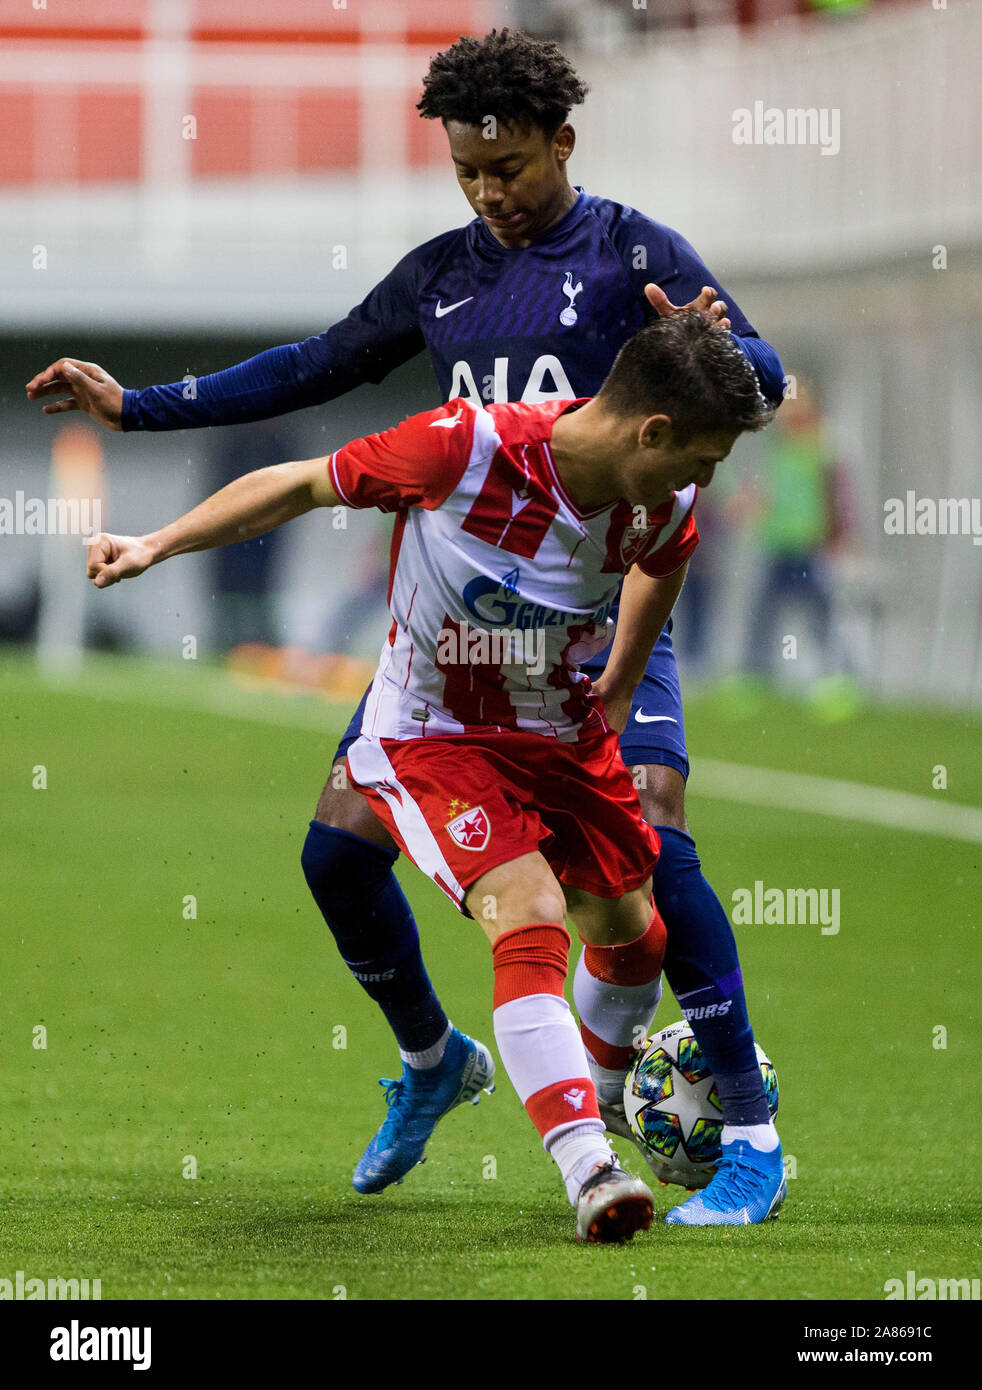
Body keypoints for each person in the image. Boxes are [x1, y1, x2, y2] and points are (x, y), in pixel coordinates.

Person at [29, 29, 785, 1225]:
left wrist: (729, 345)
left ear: (563, 145)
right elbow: (320, 363)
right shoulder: (443, 275)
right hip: (466, 631)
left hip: (598, 600)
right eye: (470, 171)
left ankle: (745, 1125)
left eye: (515, 167)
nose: (492, 191)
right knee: (335, 853)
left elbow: (755, 381)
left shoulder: (636, 250)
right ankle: (438, 1063)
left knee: (652, 836)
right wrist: (143, 407)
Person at [84, 310, 780, 1241]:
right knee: (525, 908)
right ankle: (591, 1172)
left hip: (559, 726)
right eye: (700, 459)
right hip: (433, 732)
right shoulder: (464, 451)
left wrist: (617, 683)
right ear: (652, 431)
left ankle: (600, 1092)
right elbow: (298, 485)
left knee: (632, 934)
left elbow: (665, 561)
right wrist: (154, 544)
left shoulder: (663, 500)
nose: (703, 481)